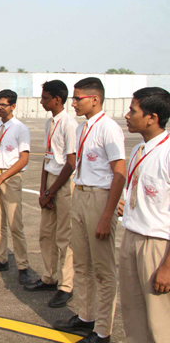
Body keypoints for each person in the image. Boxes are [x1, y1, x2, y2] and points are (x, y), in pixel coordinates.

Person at [53, 77, 126, 343]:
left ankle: (103, 330)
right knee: (82, 264)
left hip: (99, 198)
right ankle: (86, 317)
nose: (73, 103)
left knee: (103, 270)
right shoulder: (83, 128)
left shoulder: (109, 128)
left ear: (95, 99)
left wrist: (107, 215)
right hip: (80, 195)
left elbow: (119, 171)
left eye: (78, 98)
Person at [118, 87, 170, 342]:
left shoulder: (167, 153)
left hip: (157, 246)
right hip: (132, 236)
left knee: (160, 321)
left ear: (152, 117)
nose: (127, 115)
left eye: (133, 110)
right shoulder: (140, 148)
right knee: (133, 315)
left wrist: (168, 266)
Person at [24, 80, 77, 308]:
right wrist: (43, 191)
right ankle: (49, 276)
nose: (42, 101)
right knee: (46, 234)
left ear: (57, 99)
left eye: (45, 98)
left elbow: (71, 163)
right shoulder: (49, 123)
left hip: (65, 183)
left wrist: (52, 191)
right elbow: (47, 159)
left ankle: (66, 286)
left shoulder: (69, 124)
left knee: (64, 236)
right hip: (51, 182)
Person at [0, 89, 31, 285]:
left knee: (14, 224)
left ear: (13, 106)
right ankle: (1, 259)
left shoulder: (21, 129)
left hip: (9, 177)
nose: (0, 108)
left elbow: (24, 159)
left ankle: (23, 266)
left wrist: (1, 177)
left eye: (3, 105)